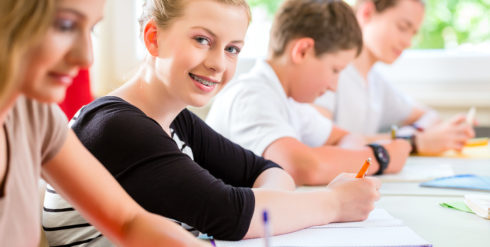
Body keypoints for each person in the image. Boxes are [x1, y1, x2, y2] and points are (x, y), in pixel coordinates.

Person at [43, 0, 381, 245]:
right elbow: (233, 217)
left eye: (232, 49)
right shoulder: (117, 127)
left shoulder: (177, 120)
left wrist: (262, 208)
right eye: (202, 40)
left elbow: (268, 171)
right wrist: (335, 202)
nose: (219, 63)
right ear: (152, 38)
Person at [0, 0, 211, 246]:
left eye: (91, 29)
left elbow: (128, 222)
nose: (85, 57)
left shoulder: (35, 115)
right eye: (65, 26)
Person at [206, 0, 411, 186]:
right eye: (335, 70)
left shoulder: (291, 103)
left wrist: (344, 156)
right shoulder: (251, 96)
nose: (333, 86)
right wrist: (380, 156)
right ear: (302, 51)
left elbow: (345, 137)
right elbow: (301, 167)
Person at [314, 0, 475, 155]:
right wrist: (413, 141)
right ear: (367, 13)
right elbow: (320, 138)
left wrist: (415, 134)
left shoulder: (376, 83)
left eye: (413, 33)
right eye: (403, 27)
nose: (408, 42)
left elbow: (430, 116)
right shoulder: (331, 71)